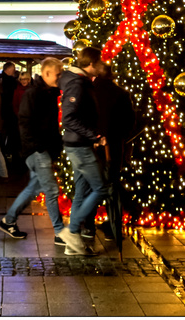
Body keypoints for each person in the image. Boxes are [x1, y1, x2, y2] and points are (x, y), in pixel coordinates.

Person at [0, 57, 64, 241]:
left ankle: (9, 221)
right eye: (57, 74)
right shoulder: (34, 93)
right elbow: (25, 122)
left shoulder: (50, 92)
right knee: (51, 190)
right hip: (37, 149)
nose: (59, 77)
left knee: (33, 188)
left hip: (41, 148)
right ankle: (60, 232)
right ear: (47, 73)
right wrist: (36, 147)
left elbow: (50, 125)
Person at [58, 46, 108, 255]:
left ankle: (73, 243)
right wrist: (94, 136)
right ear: (91, 64)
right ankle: (72, 230)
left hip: (79, 143)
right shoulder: (78, 84)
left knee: (82, 191)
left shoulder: (80, 82)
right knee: (101, 188)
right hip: (80, 145)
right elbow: (69, 117)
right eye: (100, 61)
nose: (103, 65)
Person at [83, 61, 136, 240]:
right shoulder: (121, 94)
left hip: (91, 147)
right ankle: (113, 227)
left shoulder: (87, 91)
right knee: (112, 186)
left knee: (91, 187)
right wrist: (118, 136)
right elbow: (129, 122)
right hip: (113, 147)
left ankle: (88, 226)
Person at [0, 61, 19, 163]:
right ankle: (9, 154)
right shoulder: (11, 81)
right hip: (10, 112)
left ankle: (3, 154)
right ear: (9, 69)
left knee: (2, 136)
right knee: (12, 134)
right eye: (13, 68)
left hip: (1, 112)